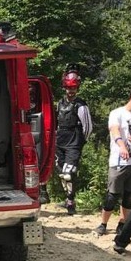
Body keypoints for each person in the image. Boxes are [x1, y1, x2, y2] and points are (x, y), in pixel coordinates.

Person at [96, 87, 131, 237]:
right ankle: (103, 224)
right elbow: (114, 130)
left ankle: (122, 224)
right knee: (112, 195)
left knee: (130, 195)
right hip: (119, 160)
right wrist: (122, 146)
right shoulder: (117, 113)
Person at [54, 65, 93, 214]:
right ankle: (68, 199)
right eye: (69, 88)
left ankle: (71, 202)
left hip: (74, 142)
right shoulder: (60, 103)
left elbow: (88, 126)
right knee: (61, 173)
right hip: (60, 141)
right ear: (65, 87)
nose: (71, 91)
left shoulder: (81, 105)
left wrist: (82, 141)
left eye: (74, 88)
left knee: (69, 173)